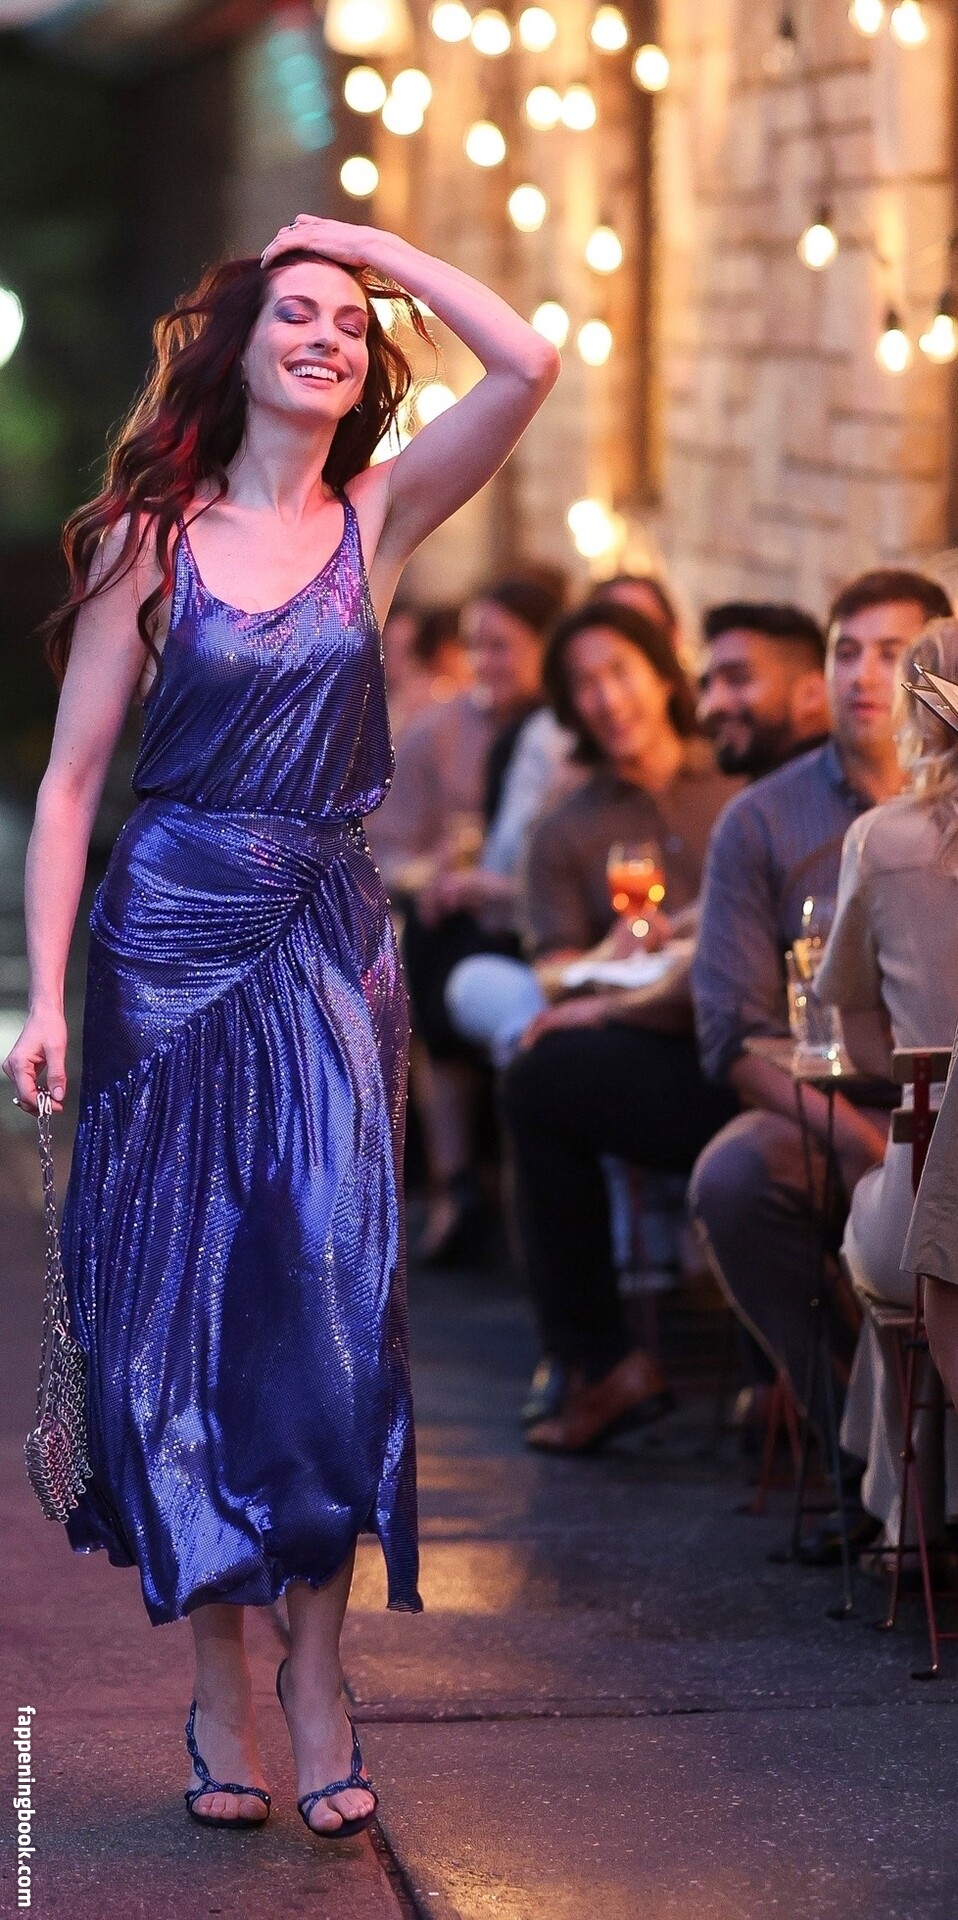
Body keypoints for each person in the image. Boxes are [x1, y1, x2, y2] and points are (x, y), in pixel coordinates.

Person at [2, 217, 559, 1836]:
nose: (323, 335)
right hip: (165, 946)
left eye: (347, 324)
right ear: (237, 349)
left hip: (326, 941)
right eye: (293, 313)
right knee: (182, 1320)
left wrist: (368, 246)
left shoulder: (376, 517)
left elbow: (527, 359)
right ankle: (216, 1690)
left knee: (323, 1308)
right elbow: (70, 785)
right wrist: (44, 992)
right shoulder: (148, 537)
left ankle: (321, 1681)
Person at [499, 599, 830, 1446]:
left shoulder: (737, 780)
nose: (607, 699)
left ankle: (781, 1374)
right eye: (584, 685)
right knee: (537, 1080)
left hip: (754, 1036)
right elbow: (552, 969)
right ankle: (598, 1362)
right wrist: (603, 967)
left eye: (621, 672)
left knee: (760, 1083)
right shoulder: (565, 827)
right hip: (664, 1042)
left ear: (661, 676)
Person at [689, 568, 952, 1550]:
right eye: (847, 651)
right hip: (846, 1098)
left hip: (933, 1110)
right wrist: (854, 1137)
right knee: (737, 1177)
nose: (864, 675)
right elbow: (732, 1032)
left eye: (893, 654)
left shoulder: (906, 827)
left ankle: (913, 1490)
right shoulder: (761, 820)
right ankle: (857, 1453)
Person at [813, 619, 958, 1550]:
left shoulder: (882, 840)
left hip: (931, 1177)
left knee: (889, 1244)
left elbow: (862, 1043)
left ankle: (907, 1515)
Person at [386, 570, 566, 1263]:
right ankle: (456, 1183)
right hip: (473, 906)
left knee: (436, 947)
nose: (485, 663)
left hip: (539, 914)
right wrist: (435, 871)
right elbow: (382, 842)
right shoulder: (441, 729)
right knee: (430, 938)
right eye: (475, 646)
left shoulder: (560, 732)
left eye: (502, 646)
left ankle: (468, 1182)